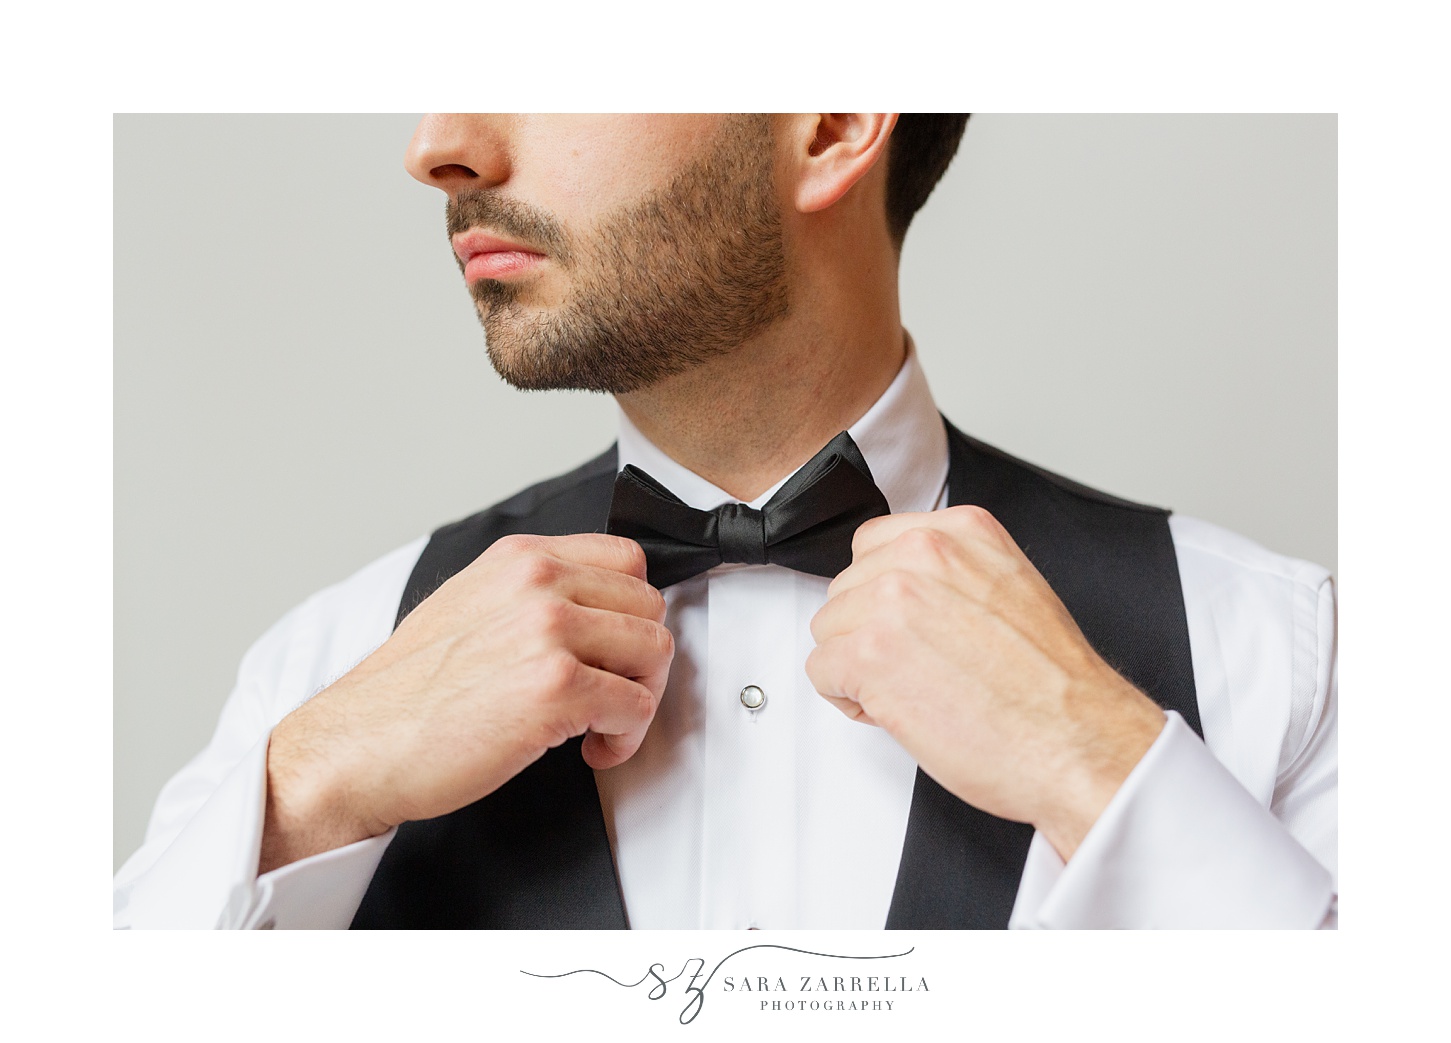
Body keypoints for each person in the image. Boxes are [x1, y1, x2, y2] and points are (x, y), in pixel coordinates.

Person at [113, 113, 1337, 930]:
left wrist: (1101, 764)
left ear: (831, 125)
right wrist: (304, 792)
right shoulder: (328, 666)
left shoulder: (1273, 650)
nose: (441, 146)